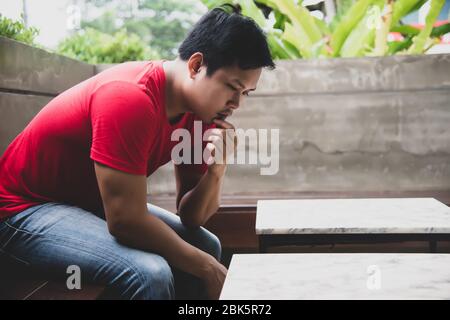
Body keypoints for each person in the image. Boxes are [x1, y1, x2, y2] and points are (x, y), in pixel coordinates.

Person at [0, 4, 275, 299]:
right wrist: (209, 268)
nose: (237, 103)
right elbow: (124, 220)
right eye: (232, 87)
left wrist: (216, 171)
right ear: (196, 66)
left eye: (245, 93)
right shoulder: (130, 97)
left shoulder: (199, 113)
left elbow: (192, 216)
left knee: (206, 246)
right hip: (23, 210)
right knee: (149, 273)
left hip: (87, 205)